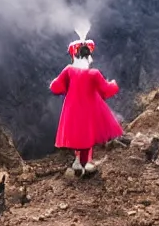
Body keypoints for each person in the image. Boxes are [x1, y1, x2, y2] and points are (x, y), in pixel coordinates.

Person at [50, 38, 124, 175]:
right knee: (87, 133)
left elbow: (56, 87)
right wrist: (114, 84)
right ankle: (88, 162)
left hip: (72, 107)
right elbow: (107, 89)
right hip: (89, 107)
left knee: (77, 133)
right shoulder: (94, 73)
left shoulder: (69, 70)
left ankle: (77, 161)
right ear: (88, 56)